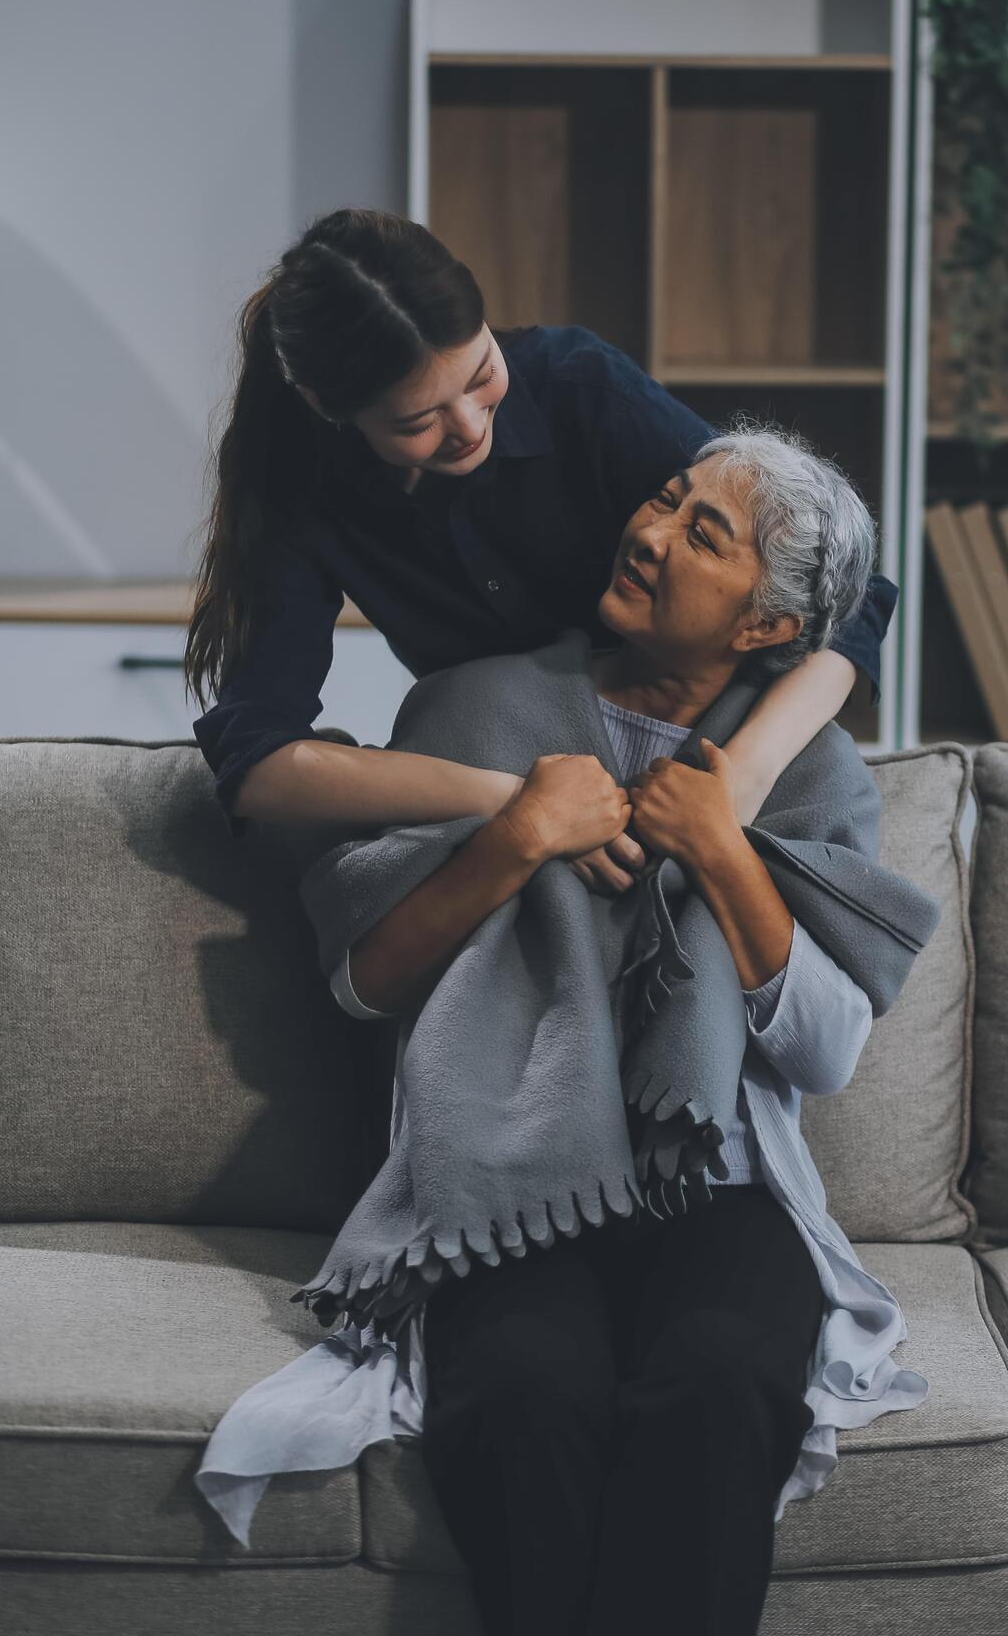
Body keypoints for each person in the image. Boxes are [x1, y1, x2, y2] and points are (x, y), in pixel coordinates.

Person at [190, 339, 938, 1632]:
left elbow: (821, 1051)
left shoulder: (805, 773)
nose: (648, 529)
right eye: (661, 499)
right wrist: (511, 838)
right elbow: (364, 987)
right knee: (525, 1398)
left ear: (766, 626)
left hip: (722, 1185)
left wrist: (720, 847)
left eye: (703, 533)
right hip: (504, 1182)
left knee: (715, 1383)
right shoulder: (468, 712)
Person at [184, 206, 898, 882]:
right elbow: (258, 762)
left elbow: (842, 590)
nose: (467, 426)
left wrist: (744, 774)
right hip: (505, 782)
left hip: (693, 760)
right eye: (419, 421)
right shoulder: (301, 490)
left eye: (481, 376)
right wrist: (518, 804)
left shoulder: (577, 384)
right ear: (324, 405)